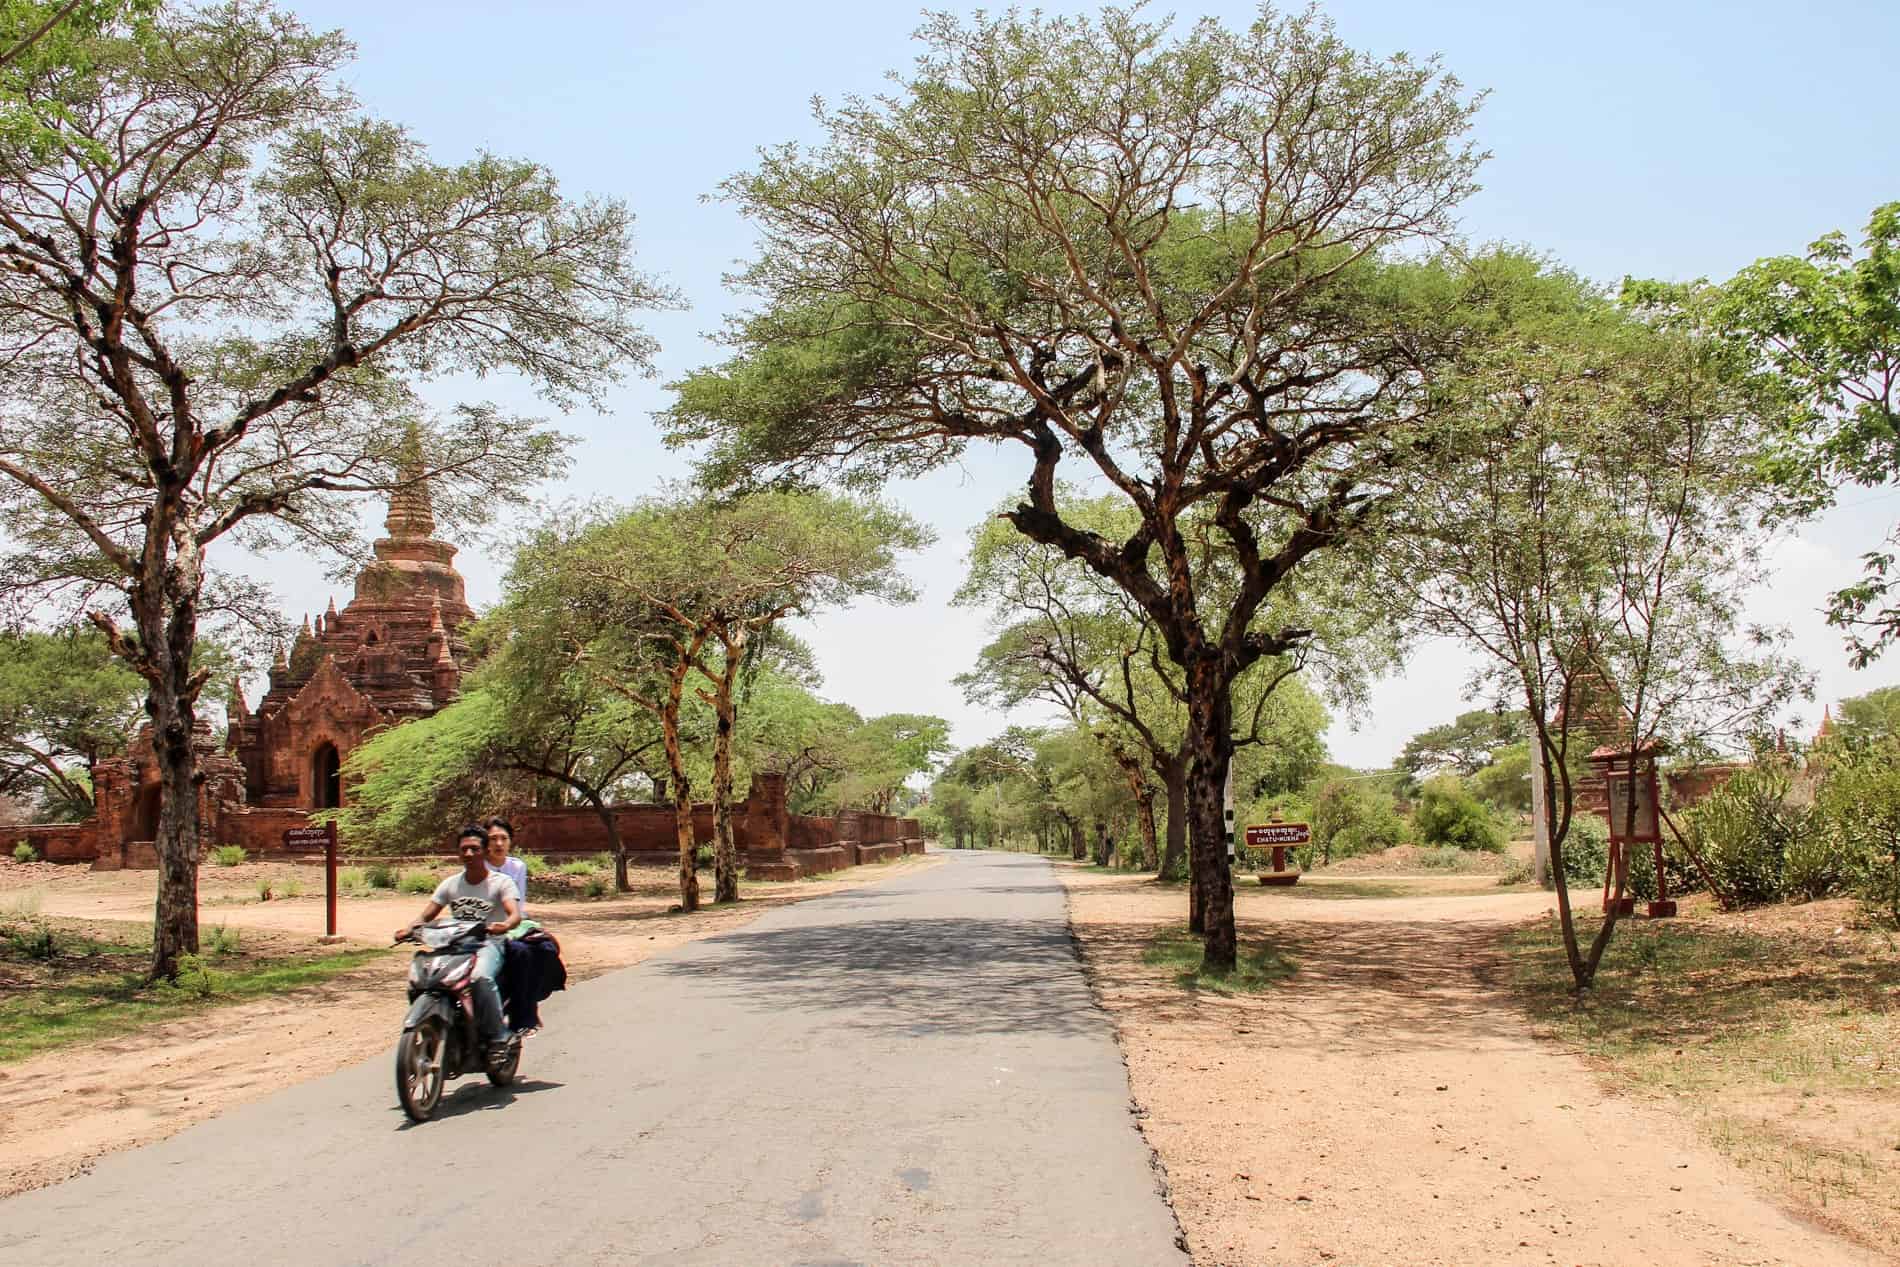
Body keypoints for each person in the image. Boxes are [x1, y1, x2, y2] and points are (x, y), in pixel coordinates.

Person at [395, 825, 521, 1053]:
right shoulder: (451, 884)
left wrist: (504, 925)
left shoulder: (501, 883)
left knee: (480, 977)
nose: (469, 854)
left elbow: (514, 913)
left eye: (474, 849)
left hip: (489, 945)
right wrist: (409, 928)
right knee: (426, 977)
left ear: (485, 851)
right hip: (455, 946)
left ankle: (498, 1034)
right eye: (464, 850)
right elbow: (427, 915)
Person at [485, 817, 529, 915]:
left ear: (510, 841)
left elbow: (519, 903)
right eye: (493, 839)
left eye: (504, 838)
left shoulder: (518, 867)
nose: (499, 844)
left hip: (512, 920)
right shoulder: (478, 866)